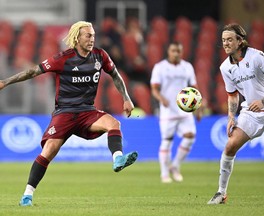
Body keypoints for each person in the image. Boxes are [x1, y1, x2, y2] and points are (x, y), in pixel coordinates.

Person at [0, 21, 138, 206]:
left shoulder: (100, 56)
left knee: (114, 123)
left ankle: (117, 158)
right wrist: (5, 82)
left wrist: (126, 98)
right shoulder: (62, 58)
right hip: (64, 113)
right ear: (77, 37)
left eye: (93, 35)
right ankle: (27, 195)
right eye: (87, 35)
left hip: (87, 112)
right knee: (48, 152)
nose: (91, 39)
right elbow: (33, 71)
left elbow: (115, 75)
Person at [207, 23, 264, 205]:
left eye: (229, 40)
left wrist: (263, 101)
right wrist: (230, 117)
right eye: (223, 40)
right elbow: (232, 95)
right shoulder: (225, 67)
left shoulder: (257, 56)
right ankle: (221, 193)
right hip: (250, 112)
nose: (225, 43)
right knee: (229, 146)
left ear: (240, 41)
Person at [150, 41, 202, 183]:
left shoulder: (187, 67)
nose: (176, 53)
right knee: (167, 141)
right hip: (168, 111)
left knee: (190, 136)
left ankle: (175, 166)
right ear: (168, 51)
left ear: (182, 52)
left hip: (184, 110)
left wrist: (198, 109)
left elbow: (194, 88)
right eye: (173, 50)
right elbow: (154, 88)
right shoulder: (160, 67)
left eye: (179, 51)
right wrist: (161, 99)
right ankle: (164, 173)